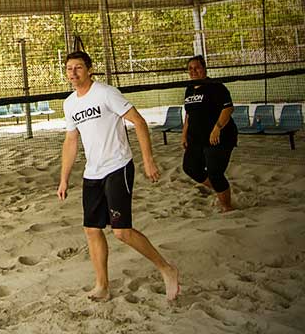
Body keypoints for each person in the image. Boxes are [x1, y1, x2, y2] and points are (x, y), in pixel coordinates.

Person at [57, 51, 179, 302]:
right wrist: (64, 178)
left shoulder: (105, 93)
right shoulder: (70, 103)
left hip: (118, 166)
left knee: (121, 232)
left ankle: (166, 268)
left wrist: (148, 160)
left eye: (78, 68)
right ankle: (102, 286)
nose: (73, 73)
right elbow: (71, 141)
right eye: (69, 69)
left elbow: (139, 121)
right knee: (91, 229)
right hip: (93, 172)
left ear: (89, 69)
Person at [181, 55, 237, 212]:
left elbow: (228, 108)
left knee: (215, 172)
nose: (193, 71)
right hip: (196, 138)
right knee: (190, 167)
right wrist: (184, 134)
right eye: (190, 68)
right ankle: (221, 190)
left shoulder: (216, 86)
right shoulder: (189, 89)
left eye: (197, 67)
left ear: (204, 68)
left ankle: (227, 207)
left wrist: (217, 129)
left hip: (219, 137)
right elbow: (189, 114)